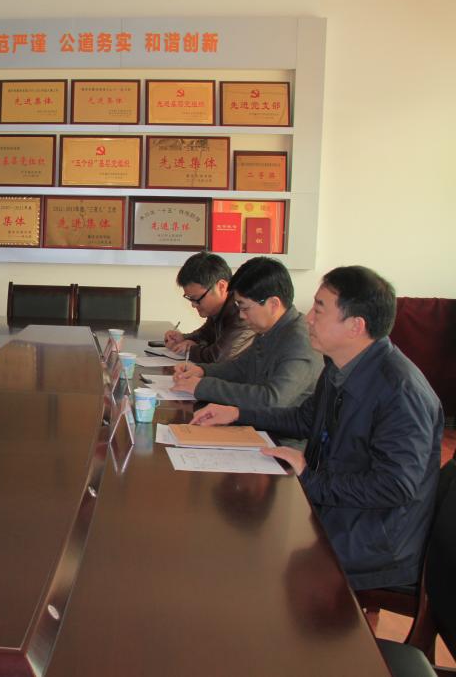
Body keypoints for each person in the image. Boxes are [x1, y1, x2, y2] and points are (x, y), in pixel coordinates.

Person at [192, 266, 442, 590]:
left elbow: (394, 486)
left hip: (375, 537)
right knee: (233, 531)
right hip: (338, 510)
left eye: (319, 310)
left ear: (355, 326)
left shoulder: (400, 392)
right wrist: (236, 412)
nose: (308, 318)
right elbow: (304, 419)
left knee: (254, 554)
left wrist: (310, 478)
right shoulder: (341, 367)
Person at [171, 256, 321, 408]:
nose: (241, 315)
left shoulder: (301, 342)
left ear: (273, 304)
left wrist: (203, 386)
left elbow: (271, 399)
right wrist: (202, 371)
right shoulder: (270, 329)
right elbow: (241, 368)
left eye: (244, 308)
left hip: (279, 422)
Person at [163, 251, 255, 363]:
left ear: (221, 286)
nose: (193, 304)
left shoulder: (243, 312)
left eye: (197, 298)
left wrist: (190, 350)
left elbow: (218, 357)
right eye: (190, 298)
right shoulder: (218, 308)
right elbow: (205, 334)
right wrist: (183, 338)